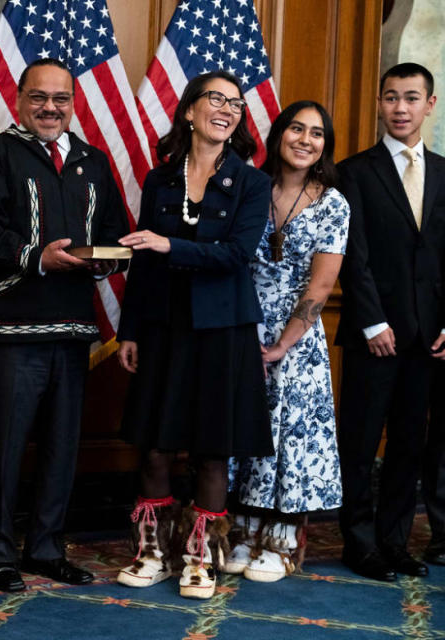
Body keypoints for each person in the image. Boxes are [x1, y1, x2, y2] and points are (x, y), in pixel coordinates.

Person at [0, 58, 129, 594]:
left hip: (74, 329)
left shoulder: (93, 161)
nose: (50, 108)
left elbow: (114, 232)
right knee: (3, 448)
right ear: (18, 99)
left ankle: (46, 549)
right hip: (13, 329)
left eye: (60, 99)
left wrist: (107, 259)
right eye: (39, 97)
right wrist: (39, 256)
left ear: (73, 103)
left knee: (62, 447)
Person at [115, 71, 272, 600]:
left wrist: (170, 246)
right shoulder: (160, 179)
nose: (227, 109)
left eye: (236, 103)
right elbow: (141, 258)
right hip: (162, 327)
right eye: (216, 99)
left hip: (222, 331)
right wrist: (129, 330)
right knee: (156, 448)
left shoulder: (253, 183)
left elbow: (236, 255)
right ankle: (152, 551)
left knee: (211, 449)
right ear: (189, 111)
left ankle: (199, 557)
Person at [228, 101, 349, 583]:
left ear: (325, 146)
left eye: (317, 133)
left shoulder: (333, 202)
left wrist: (281, 345)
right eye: (296, 128)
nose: (305, 139)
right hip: (242, 321)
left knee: (290, 434)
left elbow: (320, 287)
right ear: (278, 134)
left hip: (296, 336)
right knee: (243, 427)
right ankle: (242, 527)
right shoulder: (249, 188)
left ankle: (281, 536)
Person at [336, 62, 445, 582]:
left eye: (411, 98)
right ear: (379, 104)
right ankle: (359, 543)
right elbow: (351, 257)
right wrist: (371, 323)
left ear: (431, 104)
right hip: (372, 337)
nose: (400, 108)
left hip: (429, 339)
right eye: (390, 97)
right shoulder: (354, 171)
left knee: (408, 444)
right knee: (360, 443)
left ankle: (396, 541)